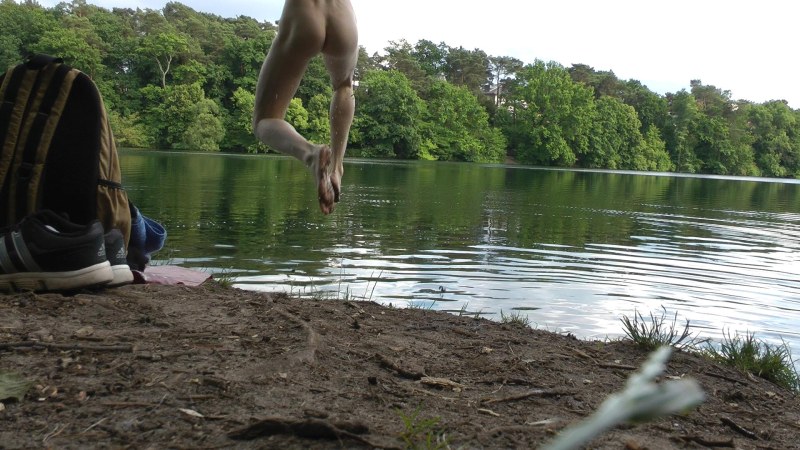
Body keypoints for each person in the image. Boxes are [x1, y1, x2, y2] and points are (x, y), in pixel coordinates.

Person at [253, 0, 358, 215]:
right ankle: (337, 167)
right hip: (344, 17)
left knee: (264, 120)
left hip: (303, 13)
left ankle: (311, 154)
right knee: (344, 86)